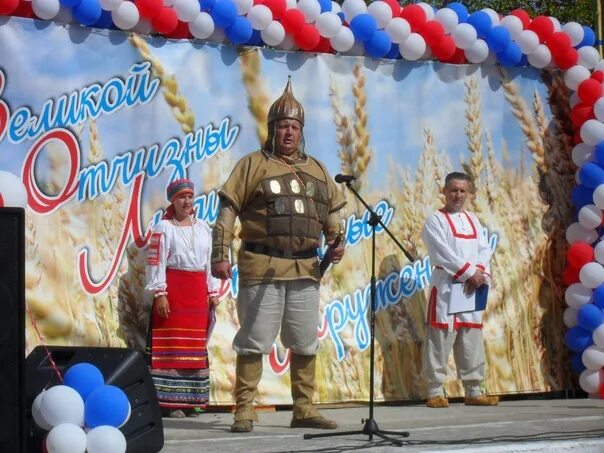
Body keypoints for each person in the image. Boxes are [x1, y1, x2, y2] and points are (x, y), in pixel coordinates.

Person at [211, 78, 346, 433]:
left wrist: (336, 238)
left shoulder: (317, 169)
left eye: (295, 127)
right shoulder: (252, 165)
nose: (289, 132)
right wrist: (219, 254)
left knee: (304, 342)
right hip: (262, 267)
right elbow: (227, 212)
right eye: (283, 126)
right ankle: (244, 410)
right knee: (254, 340)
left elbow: (333, 211)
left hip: (305, 268)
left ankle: (304, 408)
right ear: (272, 130)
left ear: (302, 131)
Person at [420, 171, 499, 408]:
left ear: (468, 193)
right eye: (453, 190)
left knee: (471, 337)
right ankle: (435, 391)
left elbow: (484, 249)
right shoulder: (435, 220)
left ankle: (474, 390)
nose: (458, 195)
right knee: (440, 338)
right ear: (443, 191)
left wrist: (480, 273)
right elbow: (441, 253)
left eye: (463, 190)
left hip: (470, 288)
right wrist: (468, 273)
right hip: (446, 286)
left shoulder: (473, 219)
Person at [145, 178, 221, 418]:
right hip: (174, 291)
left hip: (197, 292)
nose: (187, 202)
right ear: (172, 201)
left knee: (195, 347)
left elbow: (209, 263)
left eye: (189, 196)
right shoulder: (163, 228)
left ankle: (194, 402)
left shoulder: (203, 228)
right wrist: (160, 293)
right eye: (181, 197)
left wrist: (212, 291)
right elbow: (156, 262)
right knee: (172, 347)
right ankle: (170, 403)